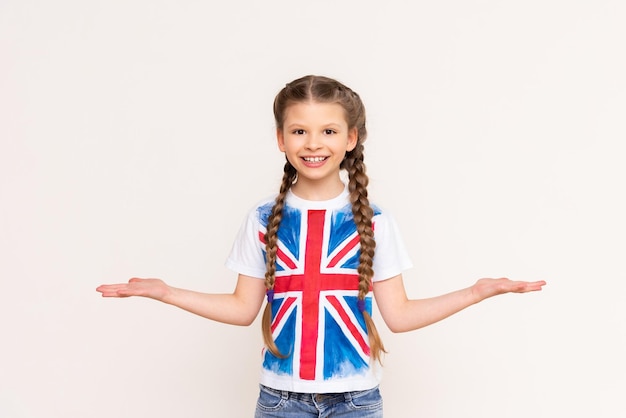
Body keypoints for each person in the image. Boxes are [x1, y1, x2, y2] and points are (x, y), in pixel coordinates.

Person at [96, 75, 546, 417]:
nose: (313, 144)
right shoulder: (260, 219)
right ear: (280, 139)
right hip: (279, 401)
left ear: (351, 139)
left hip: (356, 402)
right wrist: (165, 292)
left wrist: (476, 292)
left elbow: (401, 316)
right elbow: (241, 308)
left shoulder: (375, 221)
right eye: (299, 131)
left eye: (329, 131)